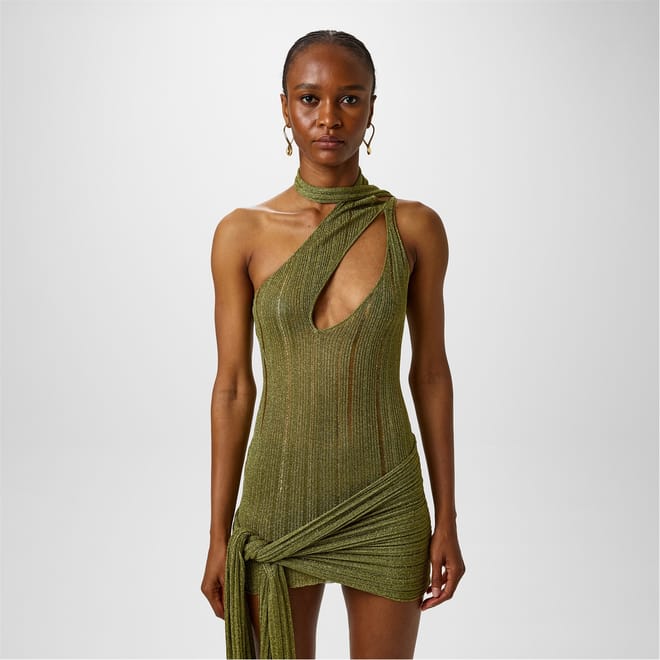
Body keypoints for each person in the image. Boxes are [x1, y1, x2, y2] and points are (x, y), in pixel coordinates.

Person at [201, 29, 466, 659]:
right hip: (278, 497)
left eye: (349, 98)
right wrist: (217, 532)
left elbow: (430, 374)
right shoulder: (242, 233)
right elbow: (234, 387)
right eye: (309, 98)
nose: (329, 118)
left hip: (386, 499)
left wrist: (447, 517)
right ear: (285, 107)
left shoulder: (413, 227)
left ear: (372, 106)